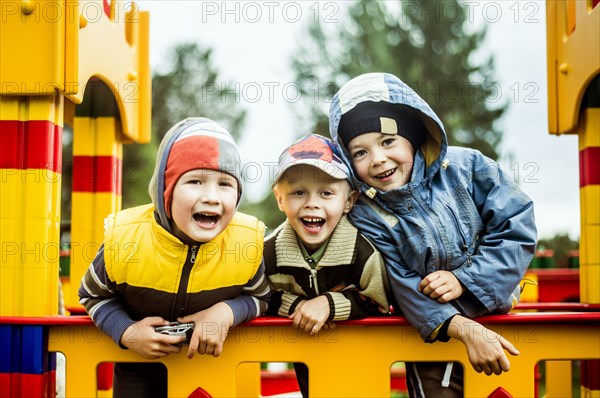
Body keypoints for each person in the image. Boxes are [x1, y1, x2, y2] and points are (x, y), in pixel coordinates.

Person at [328, 73, 537, 397]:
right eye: (360, 152)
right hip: (436, 333)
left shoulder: (467, 167)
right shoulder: (368, 214)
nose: (378, 159)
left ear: (412, 137)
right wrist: (463, 329)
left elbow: (516, 228)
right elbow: (402, 283)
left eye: (387, 141)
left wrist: (465, 279)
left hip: (502, 322)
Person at [78, 117, 271, 397]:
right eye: (195, 181)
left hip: (212, 373)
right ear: (164, 192)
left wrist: (225, 312)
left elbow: (261, 297)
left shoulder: (245, 243)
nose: (212, 197)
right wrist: (127, 332)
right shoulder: (126, 239)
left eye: (225, 185)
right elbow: (92, 295)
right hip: (139, 376)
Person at [264, 133, 391, 398]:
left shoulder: (362, 252)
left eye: (326, 193)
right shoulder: (269, 252)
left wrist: (329, 304)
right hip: (307, 356)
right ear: (279, 198)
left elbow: (380, 302)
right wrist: (297, 306)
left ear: (348, 201)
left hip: (363, 362)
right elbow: (262, 296)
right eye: (299, 192)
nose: (312, 203)